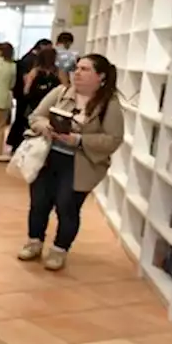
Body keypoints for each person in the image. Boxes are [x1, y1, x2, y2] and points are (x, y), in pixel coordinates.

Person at [20, 53, 124, 271]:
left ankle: (59, 250)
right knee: (39, 202)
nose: (77, 72)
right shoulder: (60, 92)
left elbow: (113, 140)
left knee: (67, 207)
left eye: (85, 69)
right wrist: (44, 127)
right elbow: (35, 116)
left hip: (80, 164)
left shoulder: (109, 104)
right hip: (48, 157)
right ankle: (34, 242)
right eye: (77, 68)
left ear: (101, 77)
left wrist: (78, 140)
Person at [6, 46, 65, 155]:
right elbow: (65, 88)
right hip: (53, 106)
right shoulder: (58, 73)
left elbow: (26, 90)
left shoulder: (35, 72)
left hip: (34, 105)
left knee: (32, 127)